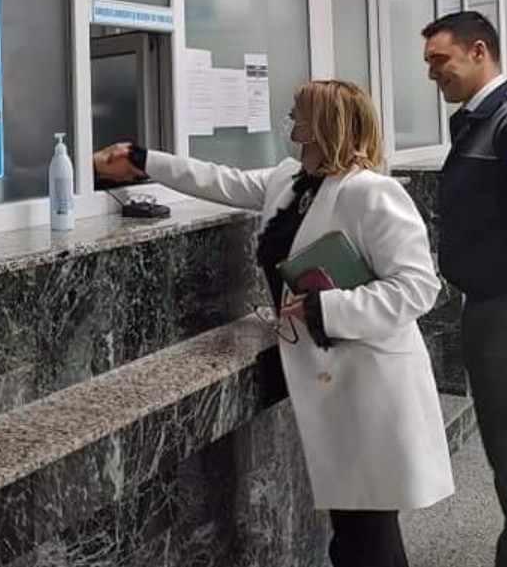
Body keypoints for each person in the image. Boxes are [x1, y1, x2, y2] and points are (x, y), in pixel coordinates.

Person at [94, 79, 453, 567]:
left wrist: (328, 308)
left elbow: (418, 287)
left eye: (298, 114)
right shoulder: (290, 180)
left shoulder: (371, 192)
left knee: (369, 532)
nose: (290, 122)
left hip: (369, 378)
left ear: (323, 125)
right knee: (352, 527)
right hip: (329, 376)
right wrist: (143, 159)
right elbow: (218, 180)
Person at [421, 11, 507, 567]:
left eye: (440, 60)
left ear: (479, 51)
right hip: (503, 306)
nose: (432, 73)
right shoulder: (481, 119)